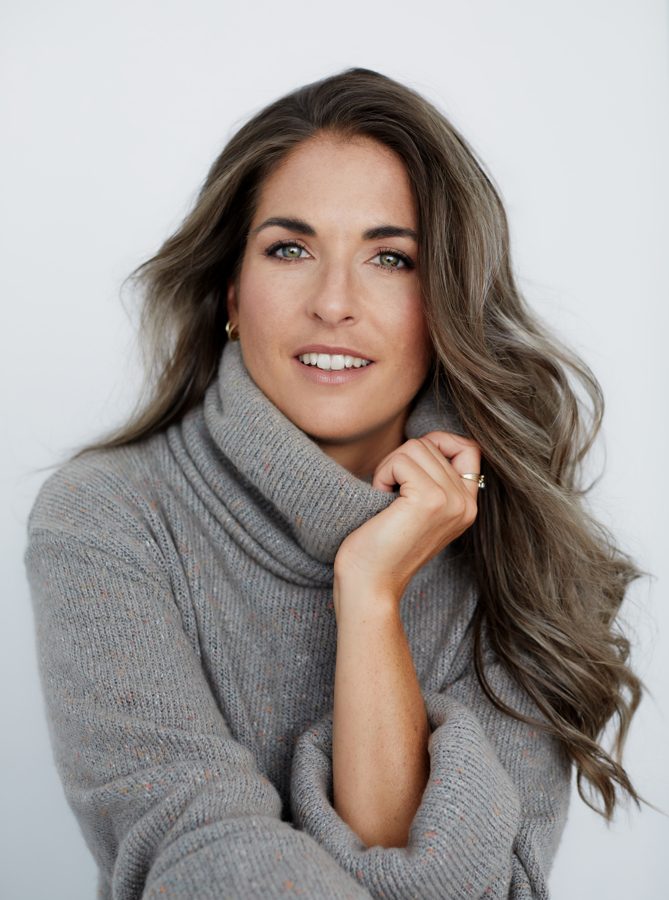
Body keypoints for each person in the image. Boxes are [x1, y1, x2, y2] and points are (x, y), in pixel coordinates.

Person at [24, 67, 653, 899]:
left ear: (446, 302)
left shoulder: (525, 548)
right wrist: (366, 576)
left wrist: (370, 596)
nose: (333, 303)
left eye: (390, 259)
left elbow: (457, 886)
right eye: (290, 249)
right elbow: (198, 849)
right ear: (231, 292)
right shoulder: (109, 516)